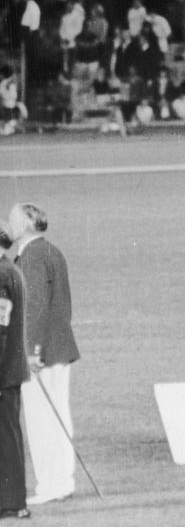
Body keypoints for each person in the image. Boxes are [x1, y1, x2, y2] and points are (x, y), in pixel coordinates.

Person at [10, 202, 80, 505]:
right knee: (58, 416)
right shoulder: (51, 251)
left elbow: (34, 308)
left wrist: (31, 351)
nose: (8, 226)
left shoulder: (32, 257)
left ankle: (51, 485)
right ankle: (62, 481)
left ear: (27, 223)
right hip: (59, 347)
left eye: (13, 220)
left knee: (42, 420)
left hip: (41, 352)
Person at [0, 221, 30, 520]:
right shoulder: (10, 270)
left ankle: (10, 502)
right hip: (10, 369)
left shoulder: (1, 275)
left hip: (3, 371)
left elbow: (1, 331)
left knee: (6, 437)